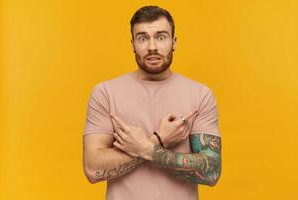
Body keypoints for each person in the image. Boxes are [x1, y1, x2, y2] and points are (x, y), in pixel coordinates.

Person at [83, 5, 221, 200]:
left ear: (174, 42)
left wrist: (148, 149)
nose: (152, 47)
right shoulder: (105, 93)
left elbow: (211, 172)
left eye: (161, 37)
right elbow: (92, 169)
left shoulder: (200, 94)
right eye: (143, 38)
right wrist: (158, 141)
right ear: (132, 44)